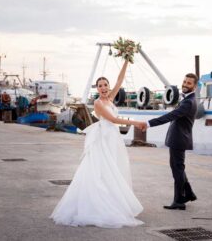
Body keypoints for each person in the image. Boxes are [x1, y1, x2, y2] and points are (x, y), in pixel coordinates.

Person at [50, 60, 145, 228]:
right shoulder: (98, 103)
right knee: (101, 171)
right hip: (103, 138)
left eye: (105, 85)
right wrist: (136, 123)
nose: (103, 88)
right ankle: (98, 205)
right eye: (100, 85)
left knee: (113, 170)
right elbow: (113, 119)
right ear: (97, 88)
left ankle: (113, 201)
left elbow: (120, 80)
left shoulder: (110, 98)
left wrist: (126, 60)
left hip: (113, 138)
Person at [138, 73, 198, 210]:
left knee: (177, 169)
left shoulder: (188, 102)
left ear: (194, 86)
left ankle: (179, 201)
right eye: (184, 81)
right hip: (179, 139)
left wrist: (148, 123)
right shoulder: (188, 99)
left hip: (179, 140)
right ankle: (188, 193)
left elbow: (170, 116)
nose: (185, 84)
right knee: (179, 168)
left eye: (189, 83)